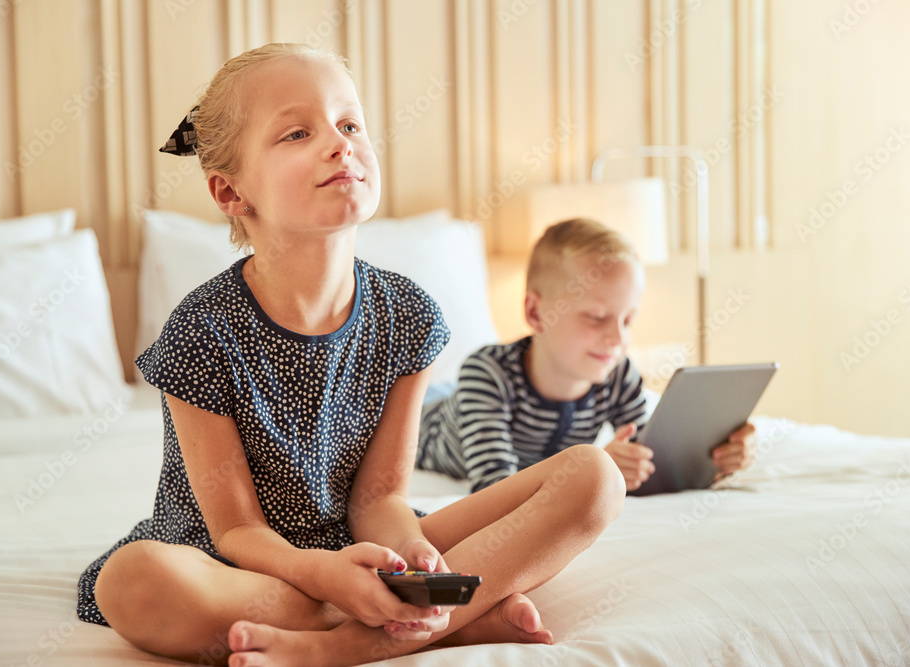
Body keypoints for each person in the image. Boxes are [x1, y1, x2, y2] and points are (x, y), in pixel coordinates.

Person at [76, 44, 626, 667]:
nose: (339, 144)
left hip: (365, 547)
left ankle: (338, 646)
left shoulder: (409, 315)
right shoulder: (201, 332)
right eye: (296, 133)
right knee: (132, 579)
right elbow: (235, 531)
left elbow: (380, 499)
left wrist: (410, 554)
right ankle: (444, 620)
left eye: (350, 123)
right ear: (230, 193)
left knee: (594, 477)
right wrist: (323, 573)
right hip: (242, 563)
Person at [417, 217, 756, 494]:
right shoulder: (488, 373)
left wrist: (715, 460)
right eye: (596, 317)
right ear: (536, 313)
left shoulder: (617, 374)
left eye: (628, 320)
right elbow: (493, 489)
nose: (618, 338)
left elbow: (651, 463)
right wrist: (591, 471)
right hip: (426, 421)